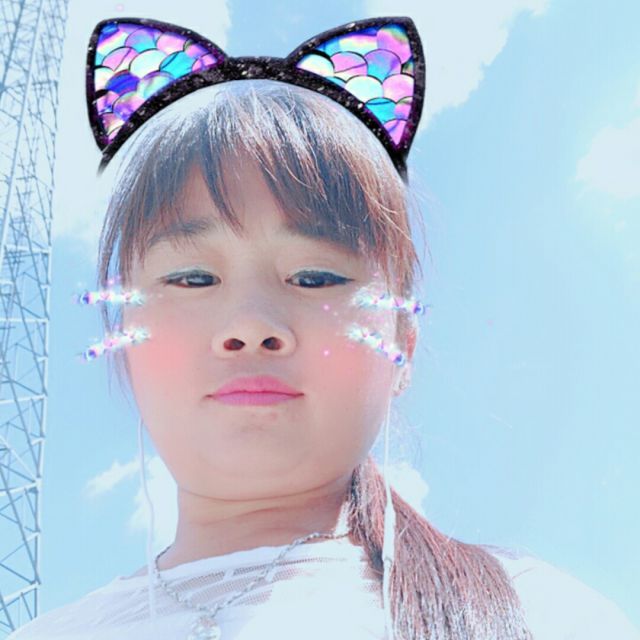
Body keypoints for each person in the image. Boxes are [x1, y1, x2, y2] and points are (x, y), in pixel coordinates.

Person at [7, 15, 639, 640]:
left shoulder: (544, 616)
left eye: (314, 277)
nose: (250, 326)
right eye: (193, 278)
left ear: (402, 339)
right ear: (123, 331)